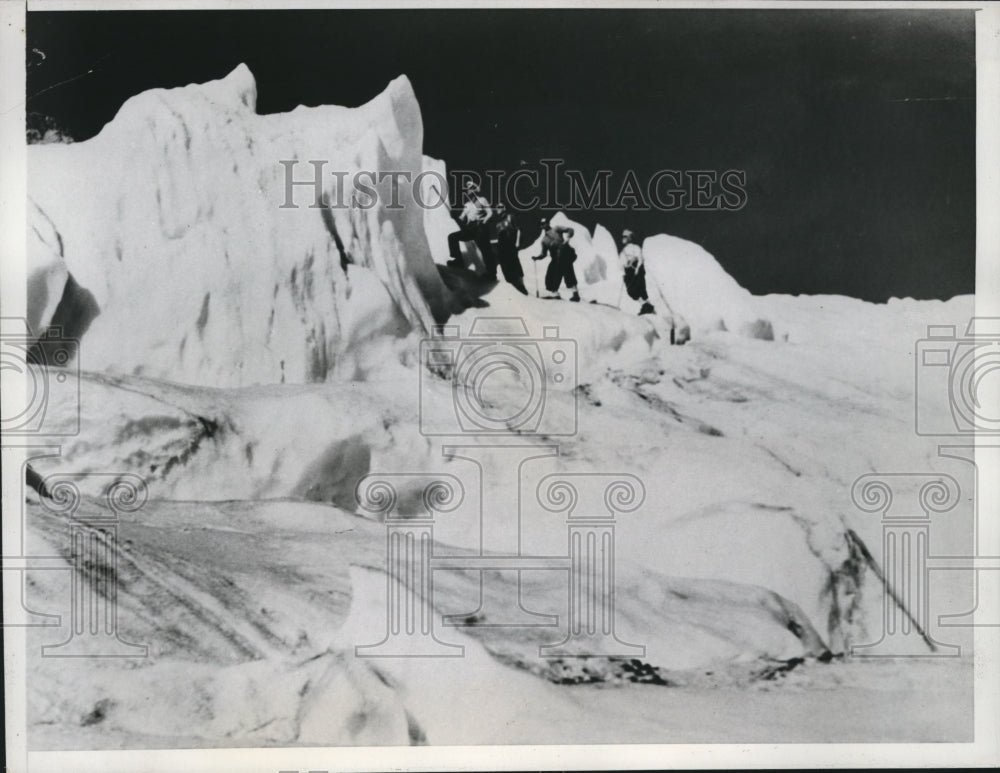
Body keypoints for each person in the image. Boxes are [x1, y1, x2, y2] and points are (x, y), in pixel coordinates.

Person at [447, 180, 496, 277]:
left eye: (470, 188)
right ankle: (458, 260)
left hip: (480, 228)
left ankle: (491, 273)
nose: (468, 191)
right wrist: (454, 215)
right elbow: (462, 217)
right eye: (468, 189)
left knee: (485, 250)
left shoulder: (481, 200)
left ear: (475, 190)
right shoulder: (467, 205)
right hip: (470, 229)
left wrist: (484, 221)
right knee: (452, 237)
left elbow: (490, 213)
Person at [489, 203, 528, 294]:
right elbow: (499, 238)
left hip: (510, 244)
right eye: (496, 207)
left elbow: (518, 229)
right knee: (504, 264)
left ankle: (521, 286)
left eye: (500, 207)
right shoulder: (498, 224)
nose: (497, 209)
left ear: (505, 208)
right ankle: (511, 284)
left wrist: (517, 243)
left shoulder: (510, 217)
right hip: (502, 246)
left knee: (514, 263)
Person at [534, 226, 581, 302]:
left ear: (548, 223)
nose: (544, 225)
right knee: (551, 273)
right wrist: (537, 258)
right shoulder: (544, 240)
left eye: (545, 223)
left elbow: (570, 229)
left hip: (564, 252)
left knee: (568, 271)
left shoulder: (556, 229)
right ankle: (555, 293)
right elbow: (544, 254)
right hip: (555, 257)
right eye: (542, 224)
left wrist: (567, 240)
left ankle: (575, 294)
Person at [619, 229, 655, 315]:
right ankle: (645, 305)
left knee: (638, 290)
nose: (623, 239)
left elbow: (640, 259)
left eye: (625, 237)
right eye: (623, 237)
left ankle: (646, 306)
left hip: (635, 272)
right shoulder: (623, 252)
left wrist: (637, 269)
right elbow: (621, 264)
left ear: (629, 238)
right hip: (629, 272)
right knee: (632, 291)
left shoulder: (635, 248)